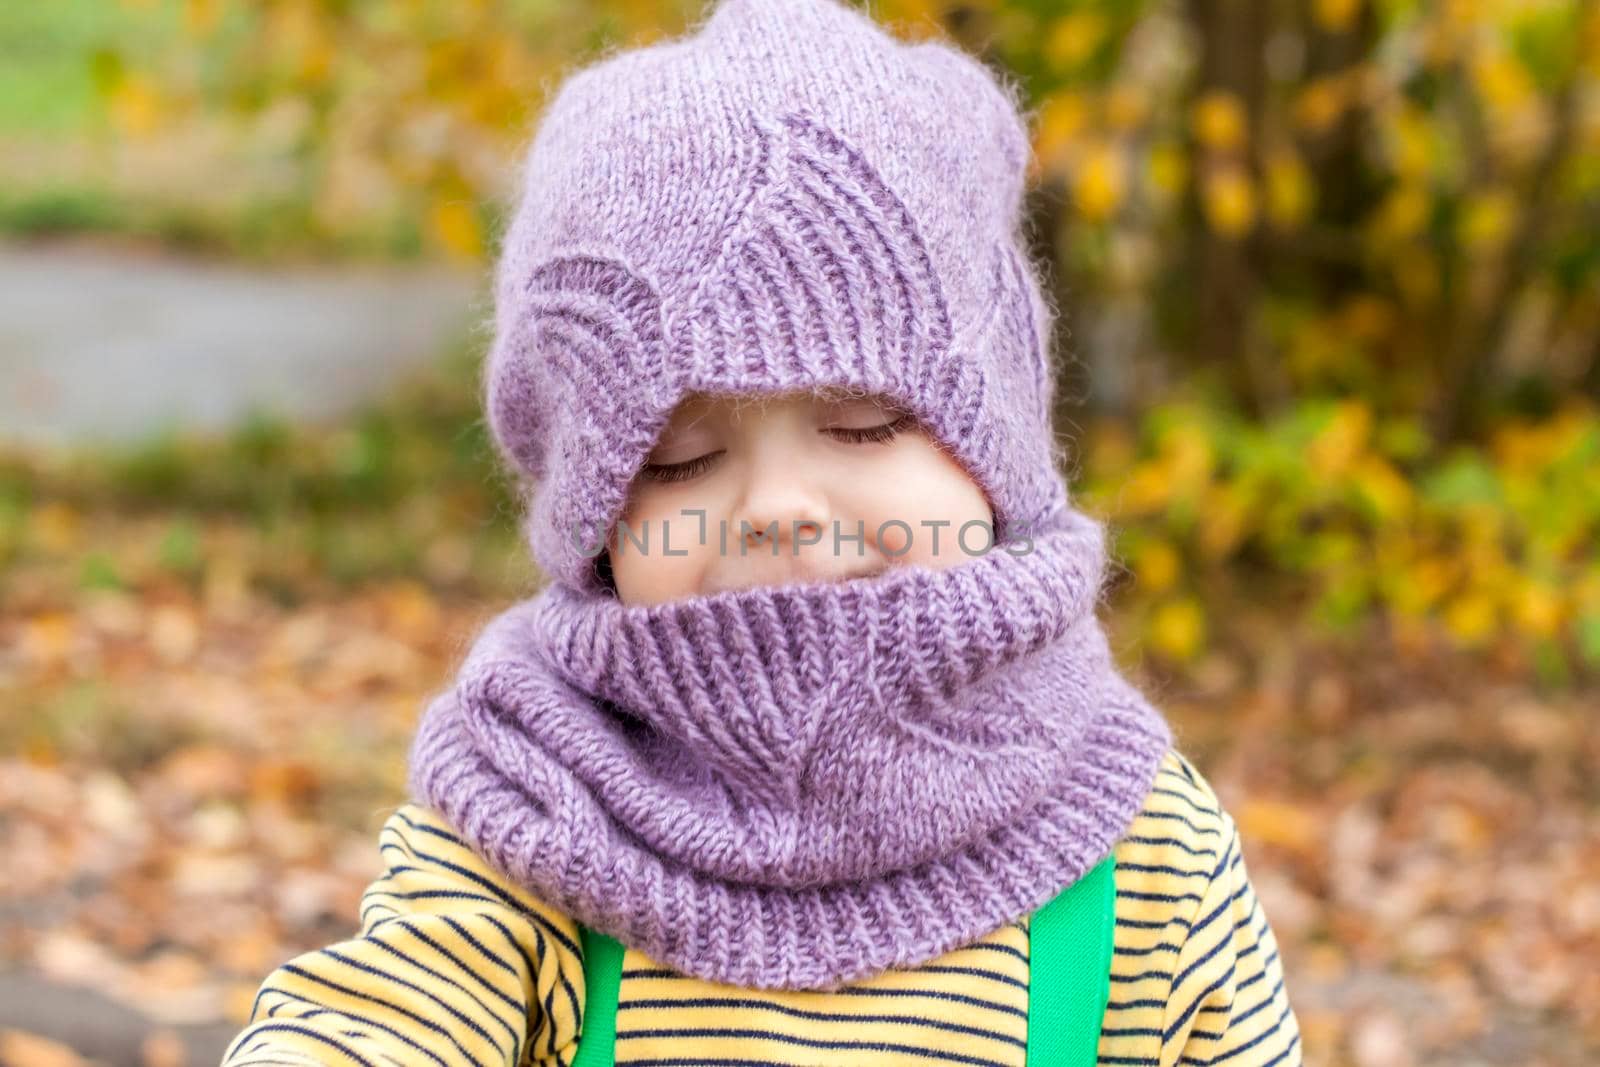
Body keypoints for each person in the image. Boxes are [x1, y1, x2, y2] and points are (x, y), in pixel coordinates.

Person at [220, 0, 1304, 1063]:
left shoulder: (1138, 841)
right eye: (680, 459)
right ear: (593, 524)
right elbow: (375, 1019)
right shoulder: (541, 805)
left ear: (997, 451)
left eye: (863, 422)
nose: (778, 506)